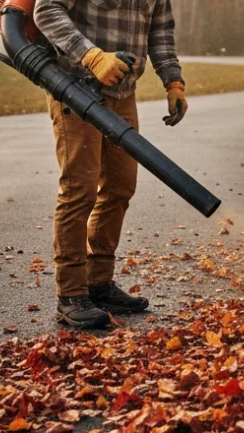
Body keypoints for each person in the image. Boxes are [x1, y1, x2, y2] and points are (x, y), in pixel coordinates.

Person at [33, 0, 188, 328]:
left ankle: (98, 283)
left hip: (123, 93)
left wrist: (173, 82)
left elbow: (160, 33)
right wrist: (92, 56)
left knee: (120, 187)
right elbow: (46, 10)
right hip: (75, 88)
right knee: (80, 190)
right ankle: (71, 295)